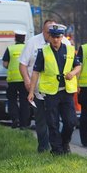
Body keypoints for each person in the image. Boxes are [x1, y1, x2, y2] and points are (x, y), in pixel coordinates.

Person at [28, 23, 82, 155]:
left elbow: (78, 66)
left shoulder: (69, 50)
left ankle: (65, 142)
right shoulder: (43, 52)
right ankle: (56, 150)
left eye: (58, 37)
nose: (55, 39)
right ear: (49, 38)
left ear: (62, 37)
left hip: (66, 91)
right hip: (51, 93)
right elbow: (36, 72)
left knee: (71, 122)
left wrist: (73, 73)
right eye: (53, 37)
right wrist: (31, 91)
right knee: (52, 123)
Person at [19, 19, 58, 152]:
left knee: (54, 119)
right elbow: (23, 64)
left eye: (54, 33)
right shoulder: (33, 43)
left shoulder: (62, 42)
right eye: (49, 32)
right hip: (37, 89)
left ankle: (57, 147)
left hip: (55, 89)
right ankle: (43, 148)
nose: (51, 36)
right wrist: (26, 80)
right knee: (41, 120)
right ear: (43, 31)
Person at [2, 31, 30, 129]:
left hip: (12, 80)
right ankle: (24, 123)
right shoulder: (27, 48)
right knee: (24, 101)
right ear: (24, 38)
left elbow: (5, 64)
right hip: (25, 79)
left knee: (12, 100)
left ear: (15, 38)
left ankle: (15, 119)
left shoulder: (10, 49)